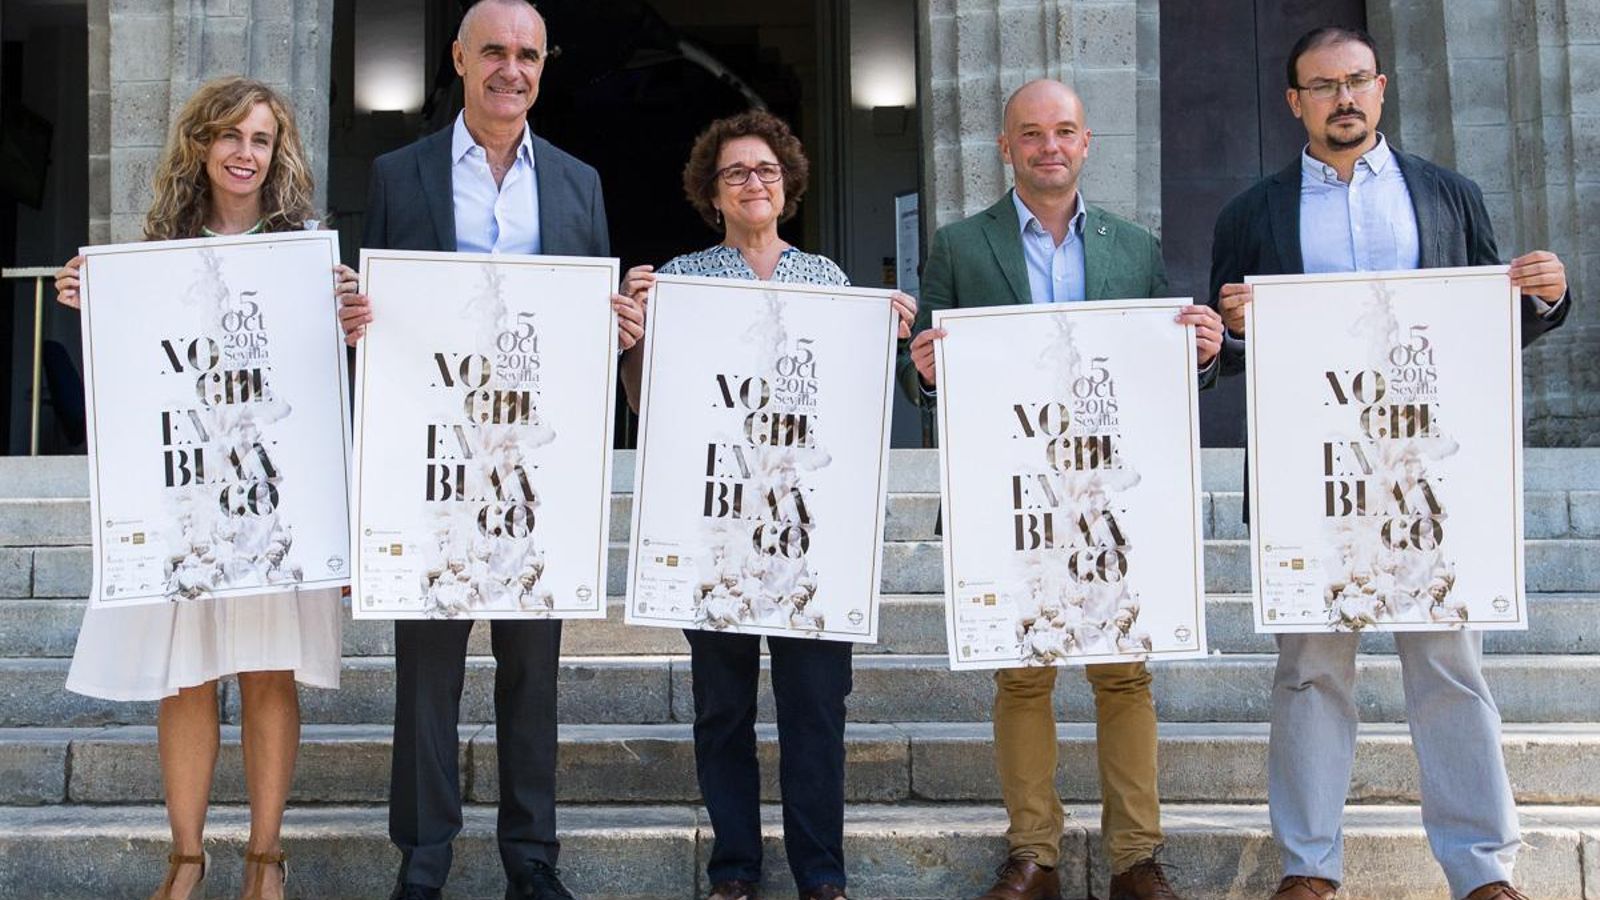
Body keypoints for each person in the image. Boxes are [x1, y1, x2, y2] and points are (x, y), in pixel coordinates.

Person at [1207, 27, 1571, 900]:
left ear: (1382, 89)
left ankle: (1483, 872)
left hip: (1430, 481)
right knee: (1309, 675)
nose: (1345, 97)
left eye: (1358, 81)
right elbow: (1218, 347)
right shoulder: (1251, 214)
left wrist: (1548, 295)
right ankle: (1308, 867)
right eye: (1324, 85)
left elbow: (1490, 323)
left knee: (1449, 668)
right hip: (1312, 485)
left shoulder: (1448, 195)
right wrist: (1229, 327)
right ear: (1294, 101)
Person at [339, 1, 641, 897]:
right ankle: (423, 862)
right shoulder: (400, 174)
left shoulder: (581, 183)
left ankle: (531, 861)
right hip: (431, 464)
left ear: (543, 68)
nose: (513, 70)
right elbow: (383, 319)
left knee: (531, 672)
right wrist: (359, 315)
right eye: (496, 53)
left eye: (530, 56)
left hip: (533, 468)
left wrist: (618, 326)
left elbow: (583, 326)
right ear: (461, 59)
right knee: (425, 675)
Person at [900, 79, 1224, 900]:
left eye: (1065, 132)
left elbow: (1159, 372)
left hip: (1111, 496)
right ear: (1005, 147)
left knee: (1124, 672)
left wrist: (1205, 354)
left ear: (1087, 143)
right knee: (1023, 673)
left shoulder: (1135, 246)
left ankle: (1135, 860)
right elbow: (919, 380)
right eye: (1032, 134)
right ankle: (1033, 856)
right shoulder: (959, 245)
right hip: (1009, 495)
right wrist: (927, 374)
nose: (1049, 146)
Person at [53, 75, 352, 900]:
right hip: (184, 494)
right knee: (185, 676)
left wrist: (352, 318)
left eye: (260, 139)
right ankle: (186, 857)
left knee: (268, 672)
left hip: (273, 500)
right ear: (200, 145)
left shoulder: (309, 254)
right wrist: (91, 305)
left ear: (276, 152)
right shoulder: (150, 256)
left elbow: (326, 391)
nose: (244, 153)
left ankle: (265, 859)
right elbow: (135, 375)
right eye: (230, 136)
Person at [616, 109, 916, 900]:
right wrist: (637, 337)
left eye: (768, 171)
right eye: (737, 173)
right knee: (723, 709)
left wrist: (883, 342)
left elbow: (849, 414)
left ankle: (822, 873)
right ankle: (735, 869)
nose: (755, 183)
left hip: (809, 531)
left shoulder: (828, 282)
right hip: (714, 522)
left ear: (788, 185)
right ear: (712, 194)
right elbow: (651, 409)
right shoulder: (681, 278)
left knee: (816, 706)